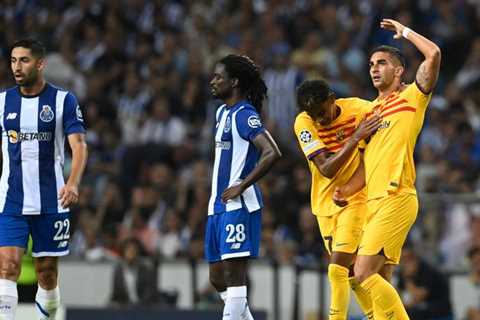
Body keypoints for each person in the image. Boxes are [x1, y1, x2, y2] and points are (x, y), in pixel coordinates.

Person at [334, 19, 441, 319]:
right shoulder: (370, 112)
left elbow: (433, 54)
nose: (374, 69)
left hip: (397, 197)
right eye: (371, 64)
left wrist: (405, 32)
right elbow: (368, 167)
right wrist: (346, 191)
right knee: (379, 281)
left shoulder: (412, 97)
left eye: (382, 63)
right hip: (373, 202)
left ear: (399, 70)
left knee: (361, 274)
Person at [0, 39, 88, 319]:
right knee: (7, 267)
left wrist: (72, 182)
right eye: (13, 60)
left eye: (24, 60)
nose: (17, 67)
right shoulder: (3, 102)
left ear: (40, 64)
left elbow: (79, 145)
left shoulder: (63, 101)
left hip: (51, 200)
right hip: (11, 200)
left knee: (46, 274)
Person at [294, 79, 381, 320]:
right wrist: (355, 138)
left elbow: (385, 112)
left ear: (332, 99)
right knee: (352, 274)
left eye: (322, 112)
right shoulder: (304, 122)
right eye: (313, 114)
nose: (319, 119)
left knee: (336, 269)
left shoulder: (358, 109)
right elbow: (326, 169)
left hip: (355, 199)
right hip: (324, 205)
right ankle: (377, 316)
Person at [206, 54, 282, 320]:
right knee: (216, 277)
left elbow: (271, 152)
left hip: (237, 205)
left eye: (218, 77)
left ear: (234, 82)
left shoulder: (244, 114)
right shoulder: (221, 113)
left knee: (234, 276)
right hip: (216, 205)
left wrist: (242, 185)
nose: (212, 81)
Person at [397, 245, 452, 320]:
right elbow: (399, 294)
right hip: (421, 307)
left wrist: (408, 278)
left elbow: (418, 298)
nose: (405, 263)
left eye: (408, 259)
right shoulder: (402, 272)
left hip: (438, 308)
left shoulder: (428, 271)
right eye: (403, 260)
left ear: (415, 258)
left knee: (413, 313)